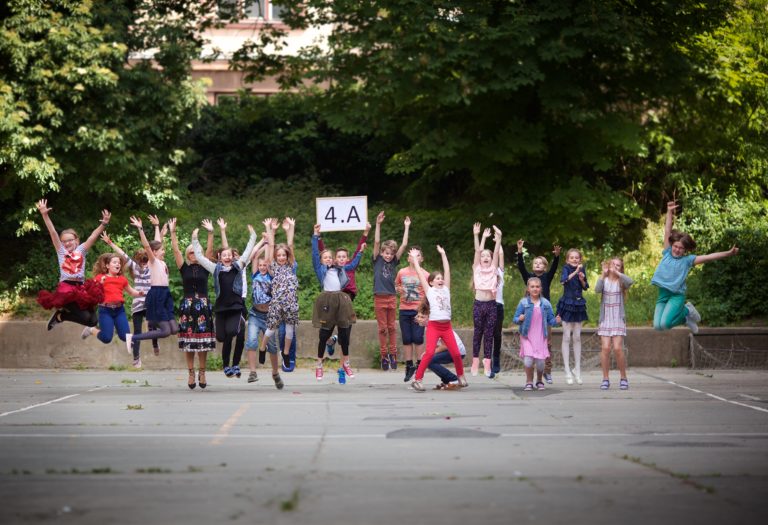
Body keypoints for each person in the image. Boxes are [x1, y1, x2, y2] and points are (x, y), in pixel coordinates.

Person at [192, 223, 264, 383]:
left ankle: (230, 365)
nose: (227, 257)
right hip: (221, 309)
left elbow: (248, 251)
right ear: (220, 257)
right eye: (224, 255)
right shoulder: (215, 269)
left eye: (229, 255)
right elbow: (200, 258)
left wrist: (253, 235)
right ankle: (227, 364)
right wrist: (195, 239)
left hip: (236, 307)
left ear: (232, 257)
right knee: (220, 338)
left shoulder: (238, 267)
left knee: (233, 332)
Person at [651, 201, 739, 333]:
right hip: (663, 294)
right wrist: (669, 212)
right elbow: (667, 230)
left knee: (665, 324)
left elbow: (709, 257)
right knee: (658, 327)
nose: (677, 250)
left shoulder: (687, 260)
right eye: (675, 246)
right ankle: (686, 318)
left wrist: (728, 253)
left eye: (681, 248)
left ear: (685, 250)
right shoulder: (667, 253)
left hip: (676, 295)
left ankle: (687, 312)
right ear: (672, 245)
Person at [100, 215, 168, 365]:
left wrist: (158, 229)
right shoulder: (135, 267)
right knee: (137, 331)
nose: (144, 263)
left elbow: (155, 246)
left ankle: (154, 343)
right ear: (138, 261)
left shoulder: (152, 265)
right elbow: (123, 255)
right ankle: (136, 358)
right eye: (142, 261)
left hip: (149, 301)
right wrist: (110, 243)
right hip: (138, 303)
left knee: (153, 324)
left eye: (145, 260)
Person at [36, 199, 109, 331]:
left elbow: (93, 236)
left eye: (70, 240)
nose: (67, 243)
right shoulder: (61, 251)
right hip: (66, 289)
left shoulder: (81, 250)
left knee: (92, 321)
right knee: (85, 318)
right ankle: (61, 315)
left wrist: (103, 224)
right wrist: (45, 215)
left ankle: (60, 317)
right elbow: (53, 232)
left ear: (76, 240)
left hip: (80, 288)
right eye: (64, 241)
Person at [408, 246, 467, 392]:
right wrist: (415, 258)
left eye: (441, 278)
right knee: (429, 353)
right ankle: (417, 379)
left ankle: (460, 376)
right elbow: (420, 273)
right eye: (437, 278)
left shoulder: (446, 289)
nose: (441, 280)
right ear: (431, 282)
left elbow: (447, 270)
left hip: (447, 327)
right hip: (434, 326)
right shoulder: (430, 291)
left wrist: (443, 254)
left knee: (456, 353)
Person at [311, 224, 364, 381]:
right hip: (327, 300)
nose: (328, 259)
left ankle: (346, 363)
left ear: (333, 259)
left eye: (330, 257)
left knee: (344, 334)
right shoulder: (320, 269)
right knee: (324, 335)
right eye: (325, 257)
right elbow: (315, 252)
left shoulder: (340, 269)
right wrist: (315, 236)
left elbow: (352, 264)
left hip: (341, 300)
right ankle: (319, 365)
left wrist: (360, 252)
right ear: (321, 260)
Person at [169, 218, 216, 389]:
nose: (194, 255)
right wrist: (173, 232)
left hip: (203, 306)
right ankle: (190, 373)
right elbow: (175, 250)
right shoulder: (184, 268)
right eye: (190, 252)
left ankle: (202, 372)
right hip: (188, 307)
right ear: (187, 255)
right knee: (189, 342)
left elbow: (210, 250)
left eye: (196, 252)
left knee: (203, 343)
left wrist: (210, 232)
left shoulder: (205, 267)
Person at [125, 216, 178, 357]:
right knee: (166, 331)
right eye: (162, 250)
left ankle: (152, 322)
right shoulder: (153, 262)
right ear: (154, 253)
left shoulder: (161, 262)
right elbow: (148, 246)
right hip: (156, 294)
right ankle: (133, 337)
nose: (164, 251)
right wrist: (140, 229)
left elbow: (157, 242)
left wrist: (157, 226)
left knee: (174, 329)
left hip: (165, 294)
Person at [316, 222, 370, 359]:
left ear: (347, 258)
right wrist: (318, 236)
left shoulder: (350, 266)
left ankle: (335, 341)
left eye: (344, 257)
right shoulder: (334, 268)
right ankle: (332, 339)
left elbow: (358, 251)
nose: (341, 259)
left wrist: (365, 233)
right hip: (335, 296)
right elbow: (323, 252)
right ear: (335, 259)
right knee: (334, 323)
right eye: (338, 257)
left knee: (346, 328)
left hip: (348, 296)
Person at [255, 218, 299, 374]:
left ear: (287, 256)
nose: (281, 257)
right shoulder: (272, 266)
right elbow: (272, 245)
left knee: (289, 331)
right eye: (279, 255)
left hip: (291, 303)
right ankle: (262, 347)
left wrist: (291, 227)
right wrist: (269, 228)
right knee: (271, 328)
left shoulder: (291, 265)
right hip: (277, 304)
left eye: (283, 255)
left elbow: (290, 245)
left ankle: (286, 353)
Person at [81, 253, 143, 363]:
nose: (117, 264)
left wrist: (140, 293)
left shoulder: (122, 279)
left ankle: (116, 331)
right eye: (114, 262)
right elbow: (91, 291)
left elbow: (131, 291)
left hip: (119, 311)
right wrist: (99, 284)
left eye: (119, 263)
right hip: (105, 311)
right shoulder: (100, 278)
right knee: (106, 338)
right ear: (107, 266)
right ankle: (91, 330)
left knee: (125, 337)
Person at [515, 238, 561, 383]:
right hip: (530, 315)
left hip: (544, 315)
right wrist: (520, 251)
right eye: (535, 263)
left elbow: (554, 268)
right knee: (530, 342)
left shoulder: (547, 277)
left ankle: (547, 371)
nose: (538, 265)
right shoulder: (529, 277)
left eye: (541, 263)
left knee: (547, 343)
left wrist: (557, 256)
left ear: (545, 267)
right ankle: (531, 372)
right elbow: (521, 267)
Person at [372, 211, 410, 370]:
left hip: (391, 298)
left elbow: (404, 245)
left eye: (391, 254)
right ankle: (384, 356)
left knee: (392, 327)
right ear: (382, 253)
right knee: (382, 329)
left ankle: (393, 354)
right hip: (379, 298)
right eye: (386, 253)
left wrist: (406, 227)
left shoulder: (394, 262)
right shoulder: (377, 260)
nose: (388, 256)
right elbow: (377, 241)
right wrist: (378, 224)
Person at [513, 277, 560, 391]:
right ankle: (529, 381)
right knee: (528, 360)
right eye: (532, 286)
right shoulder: (523, 302)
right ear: (528, 289)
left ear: (541, 289)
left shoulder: (546, 303)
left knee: (540, 363)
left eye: (537, 287)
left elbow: (551, 321)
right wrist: (519, 318)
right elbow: (515, 319)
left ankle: (539, 380)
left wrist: (557, 320)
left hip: (540, 337)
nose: (535, 289)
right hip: (526, 336)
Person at [595, 258, 634, 390]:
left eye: (618, 265)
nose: (615, 266)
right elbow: (597, 289)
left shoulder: (621, 281)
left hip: (617, 318)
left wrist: (618, 273)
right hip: (605, 318)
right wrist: (603, 274)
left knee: (617, 348)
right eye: (614, 264)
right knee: (605, 348)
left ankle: (623, 378)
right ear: (609, 265)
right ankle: (605, 379)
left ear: (621, 268)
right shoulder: (604, 280)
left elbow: (630, 282)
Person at [471, 223, 502, 377]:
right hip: (478, 304)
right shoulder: (476, 268)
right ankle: (475, 361)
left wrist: (499, 238)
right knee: (478, 333)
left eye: (487, 256)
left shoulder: (493, 269)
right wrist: (478, 236)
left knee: (489, 334)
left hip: (491, 305)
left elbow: (496, 252)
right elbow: (477, 251)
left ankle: (487, 363)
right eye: (483, 256)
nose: (485, 258)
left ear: (491, 259)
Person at [395, 245, 429, 382]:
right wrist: (398, 289)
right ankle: (409, 365)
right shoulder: (402, 272)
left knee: (418, 338)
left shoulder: (425, 274)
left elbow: (430, 293)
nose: (414, 257)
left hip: (419, 310)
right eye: (411, 255)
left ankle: (420, 365)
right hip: (404, 309)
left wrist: (426, 312)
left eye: (417, 255)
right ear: (408, 258)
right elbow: (396, 285)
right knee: (407, 338)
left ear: (422, 259)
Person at [245, 241, 277, 384]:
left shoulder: (271, 275)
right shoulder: (255, 274)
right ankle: (252, 372)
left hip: (269, 315)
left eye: (264, 265)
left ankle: (275, 372)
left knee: (272, 346)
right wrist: (263, 243)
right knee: (252, 341)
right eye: (260, 265)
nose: (262, 267)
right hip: (255, 314)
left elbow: (269, 260)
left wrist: (269, 245)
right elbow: (254, 256)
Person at [414, 305, 466, 390]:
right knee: (428, 359)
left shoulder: (435, 326)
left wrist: (429, 354)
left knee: (429, 360)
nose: (419, 319)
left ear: (430, 318)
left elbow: (445, 346)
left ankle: (453, 379)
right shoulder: (428, 327)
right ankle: (447, 381)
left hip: (457, 351)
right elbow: (436, 345)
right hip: (450, 350)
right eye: (418, 316)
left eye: (422, 317)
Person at [557, 248, 589, 385]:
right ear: (567, 259)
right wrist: (576, 272)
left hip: (578, 305)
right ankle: (567, 370)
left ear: (580, 259)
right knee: (566, 337)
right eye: (572, 257)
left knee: (577, 337)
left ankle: (577, 370)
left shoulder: (582, 269)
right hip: (567, 304)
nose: (575, 259)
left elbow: (586, 286)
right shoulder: (566, 268)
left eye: (577, 257)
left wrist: (582, 279)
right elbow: (563, 281)